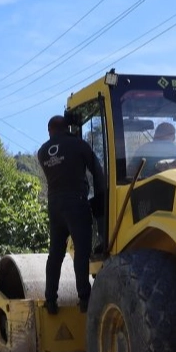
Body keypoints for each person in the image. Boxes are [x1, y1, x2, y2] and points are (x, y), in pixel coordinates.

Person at [37, 115, 107, 314]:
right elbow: (97, 171)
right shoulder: (78, 145)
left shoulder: (43, 152)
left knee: (56, 254)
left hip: (54, 205)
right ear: (67, 128)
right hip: (75, 202)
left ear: (50, 130)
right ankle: (84, 298)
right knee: (82, 251)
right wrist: (102, 198)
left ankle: (50, 299)